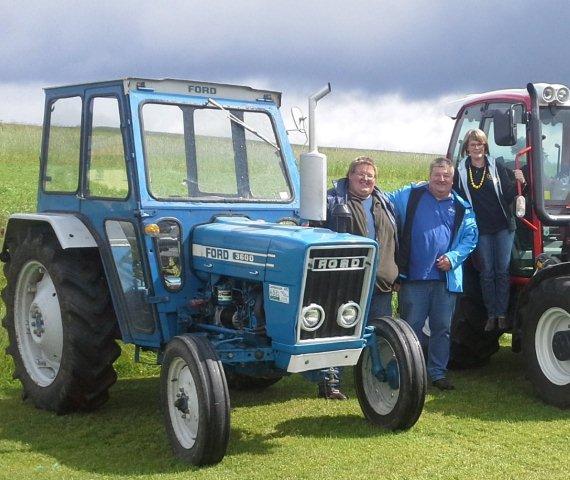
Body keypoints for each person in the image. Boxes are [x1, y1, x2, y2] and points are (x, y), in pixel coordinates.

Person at [390, 157, 478, 390]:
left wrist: (453, 258)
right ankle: (407, 372)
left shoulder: (461, 206)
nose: (441, 179)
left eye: (446, 176)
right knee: (410, 328)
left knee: (442, 329)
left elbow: (470, 238)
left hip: (445, 282)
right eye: (437, 174)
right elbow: (383, 201)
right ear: (429, 176)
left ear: (452, 179)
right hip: (414, 279)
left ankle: (437, 373)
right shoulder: (411, 195)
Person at [318, 156, 399, 400]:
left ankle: (373, 376)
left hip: (380, 284)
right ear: (349, 176)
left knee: (379, 332)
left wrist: (396, 273)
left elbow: (395, 240)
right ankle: (330, 382)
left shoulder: (383, 203)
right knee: (338, 331)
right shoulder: (333, 201)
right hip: (345, 283)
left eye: (370, 175)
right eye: (360, 174)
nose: (365, 179)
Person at [453, 129, 526, 332]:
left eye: (480, 144)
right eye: (473, 144)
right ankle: (491, 314)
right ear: (467, 147)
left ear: (485, 146)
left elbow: (509, 194)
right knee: (486, 272)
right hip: (480, 228)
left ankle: (501, 315)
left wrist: (520, 181)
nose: (477, 148)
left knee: (502, 271)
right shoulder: (460, 171)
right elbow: (457, 198)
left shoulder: (496, 167)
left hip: (503, 226)